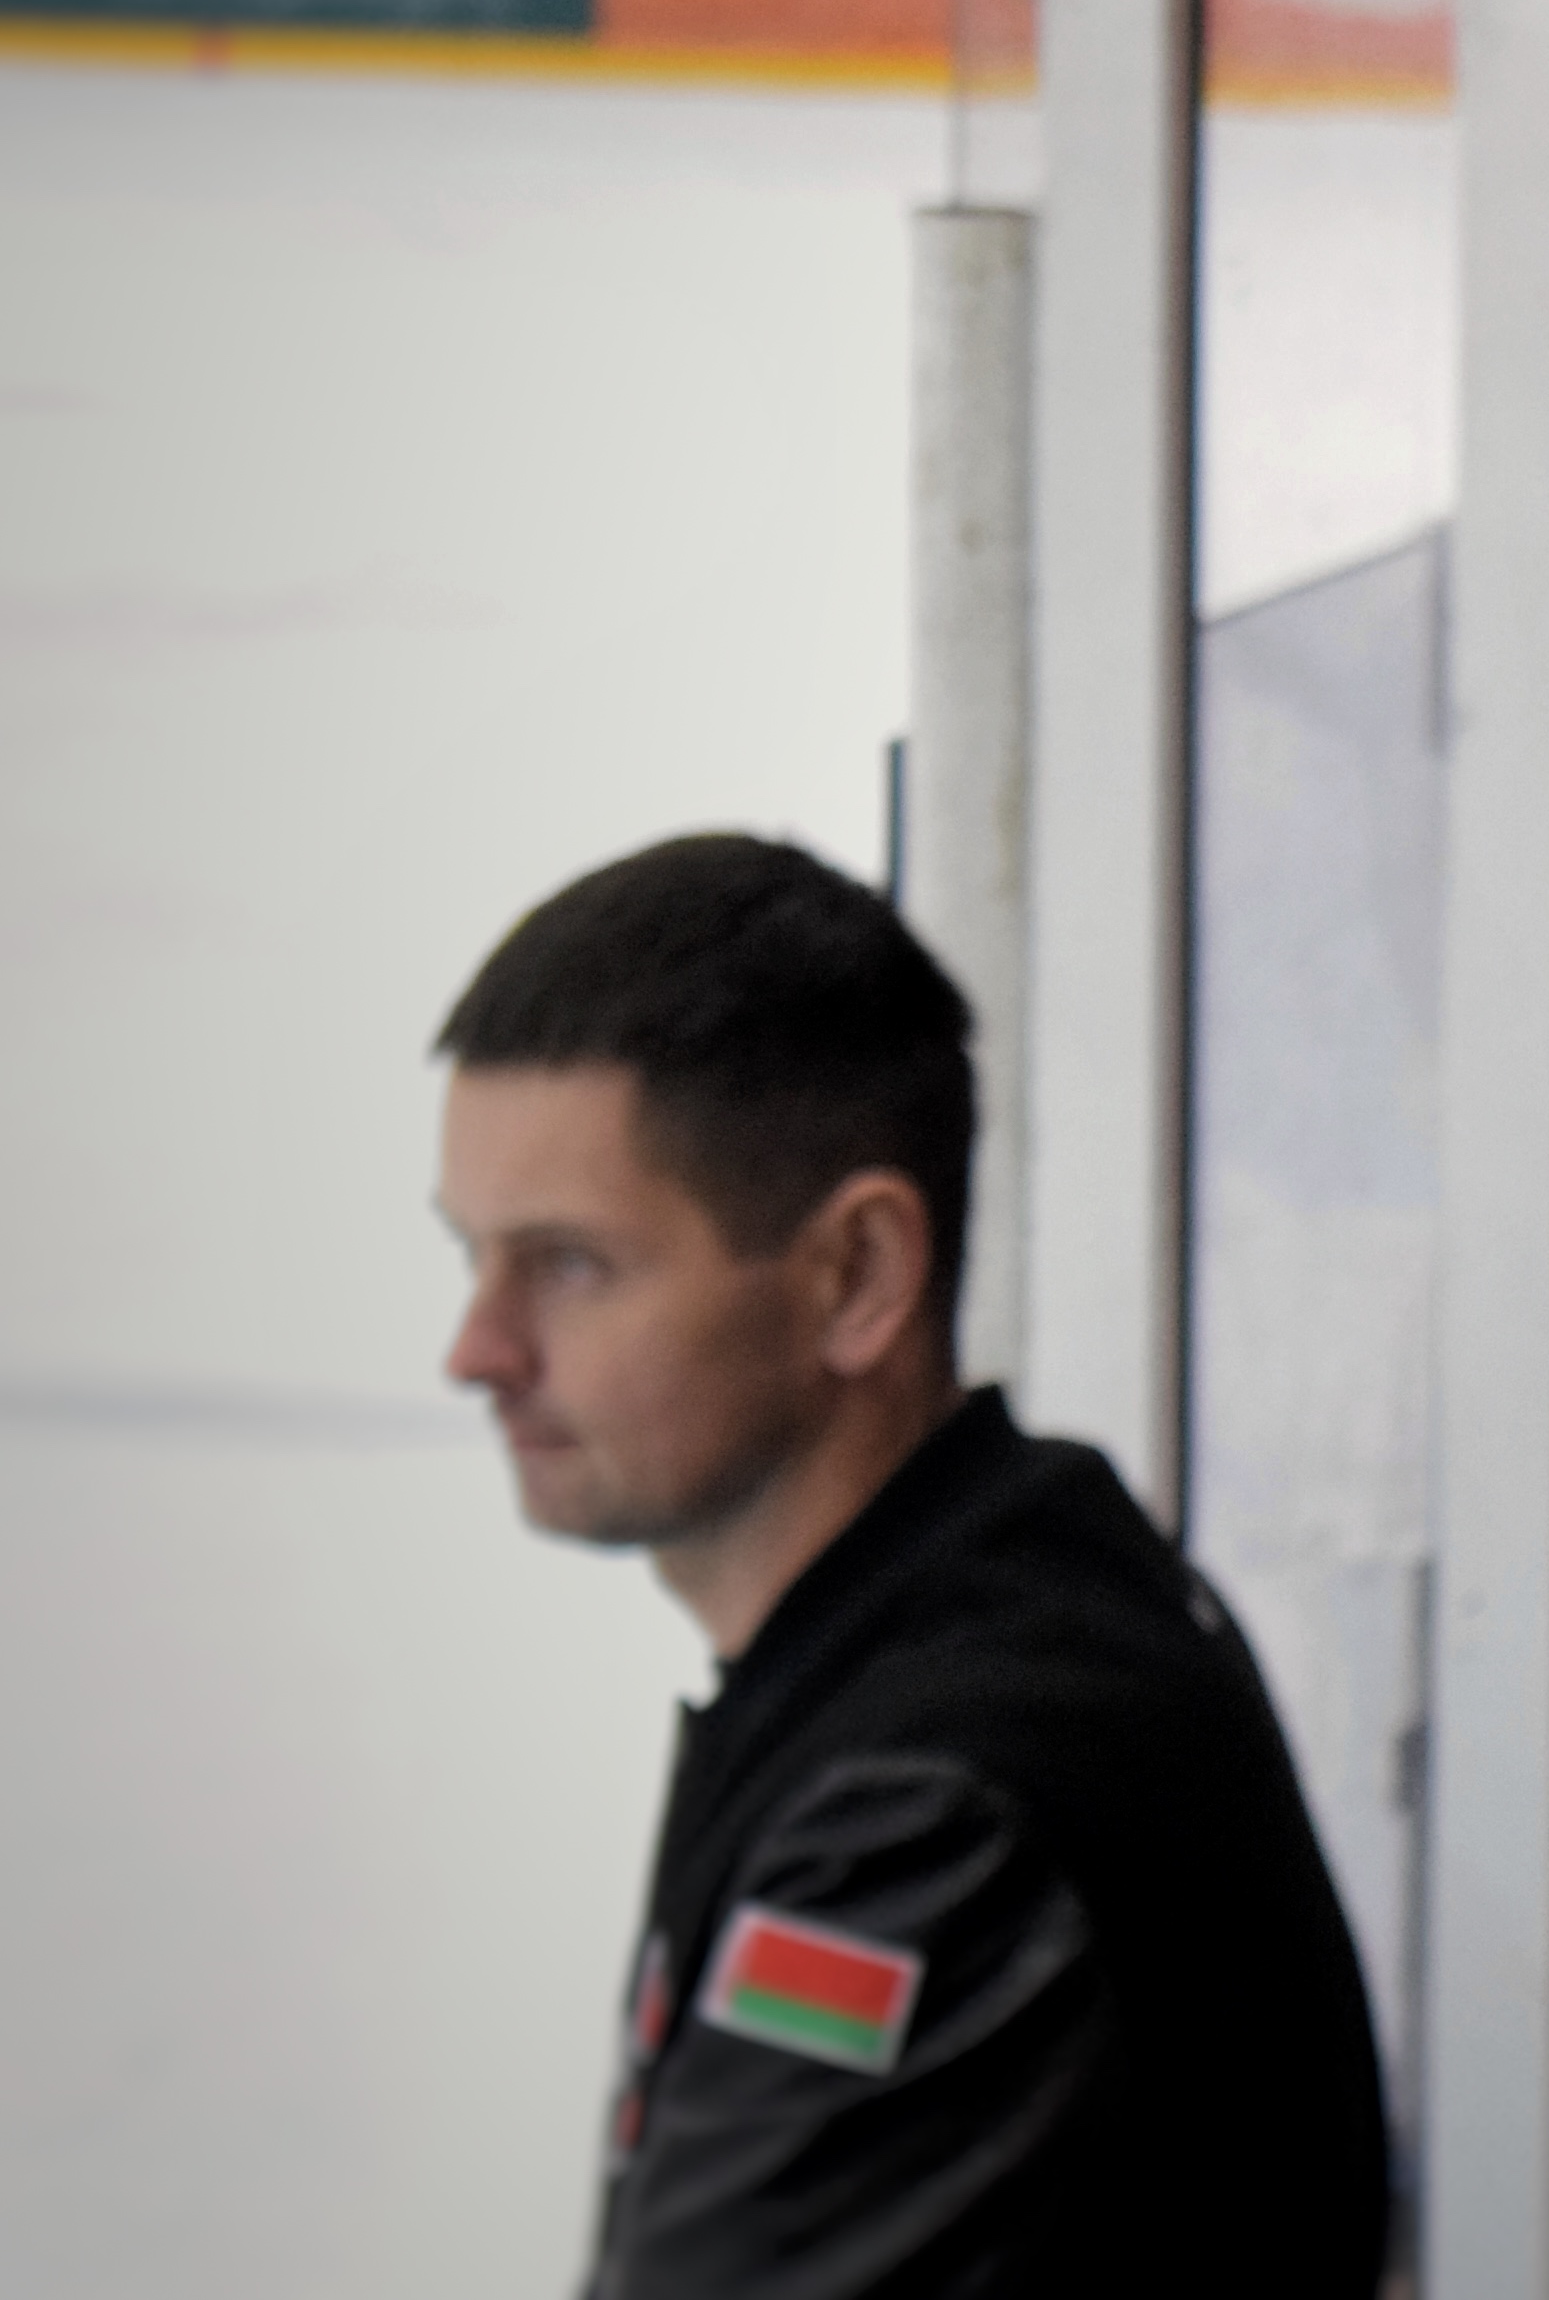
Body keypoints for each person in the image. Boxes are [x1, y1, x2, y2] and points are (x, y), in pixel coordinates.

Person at [430, 834, 1391, 2298]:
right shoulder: (997, 1615)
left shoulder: (933, 1812)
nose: (477, 1349)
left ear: (860, 1273)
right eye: (472, 1256)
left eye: (569, 1263)